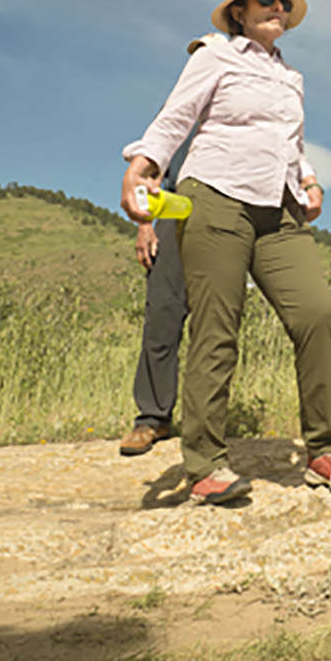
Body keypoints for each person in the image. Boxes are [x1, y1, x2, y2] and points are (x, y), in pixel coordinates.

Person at [120, 0, 331, 504]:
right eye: (262, 0)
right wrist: (142, 166)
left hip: (279, 209)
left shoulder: (291, 77)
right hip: (216, 195)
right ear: (239, 12)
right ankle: (205, 461)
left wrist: (308, 178)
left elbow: (292, 142)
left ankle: (325, 450)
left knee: (317, 314)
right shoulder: (214, 55)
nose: (275, 7)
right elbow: (175, 117)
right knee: (217, 323)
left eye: (280, 0)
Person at [119, 38, 217, 458]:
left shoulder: (241, 112)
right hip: (174, 211)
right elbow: (148, 175)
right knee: (163, 313)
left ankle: (206, 422)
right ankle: (152, 418)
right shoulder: (175, 114)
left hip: (222, 216)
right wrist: (145, 226)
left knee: (215, 322)